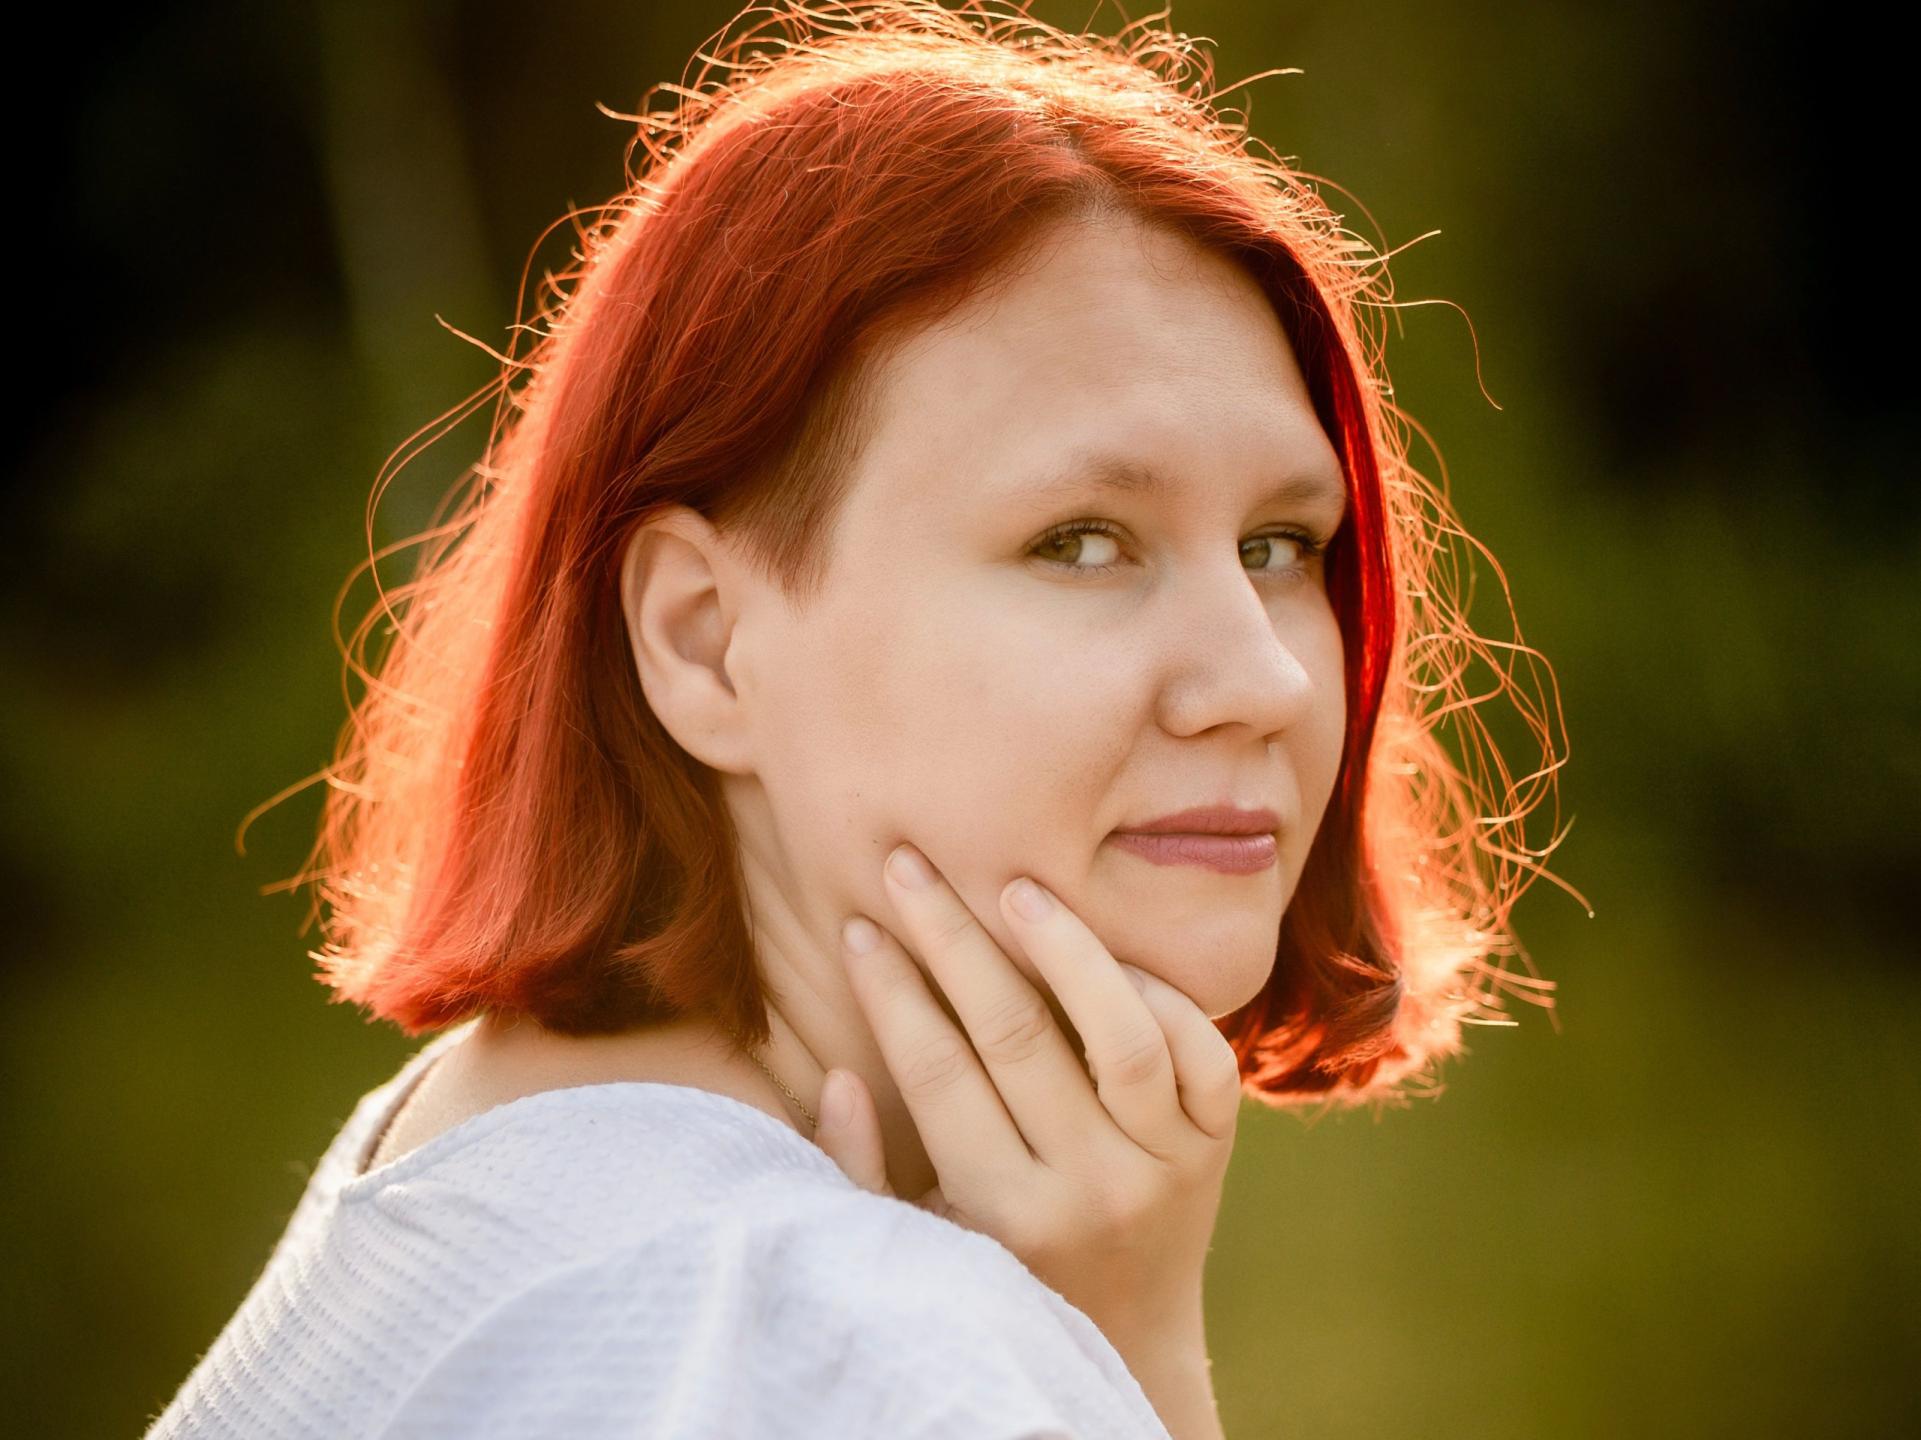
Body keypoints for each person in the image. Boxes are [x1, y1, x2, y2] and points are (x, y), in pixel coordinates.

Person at [145, 2, 1564, 1436]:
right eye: (1081, 541)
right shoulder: (869, 1357)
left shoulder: (452, 1161)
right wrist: (1125, 1363)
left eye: (1279, 545)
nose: (1264, 679)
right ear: (703, 641)